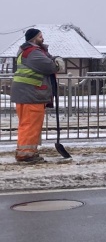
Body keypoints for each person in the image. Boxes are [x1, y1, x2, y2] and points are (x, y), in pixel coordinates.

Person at [11, 28, 64, 164]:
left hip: (24, 93)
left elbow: (46, 61)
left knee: (26, 124)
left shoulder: (25, 51)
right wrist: (57, 62)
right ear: (34, 38)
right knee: (30, 125)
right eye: (40, 36)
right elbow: (51, 66)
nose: (43, 39)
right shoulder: (33, 52)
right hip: (32, 94)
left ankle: (26, 152)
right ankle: (27, 155)